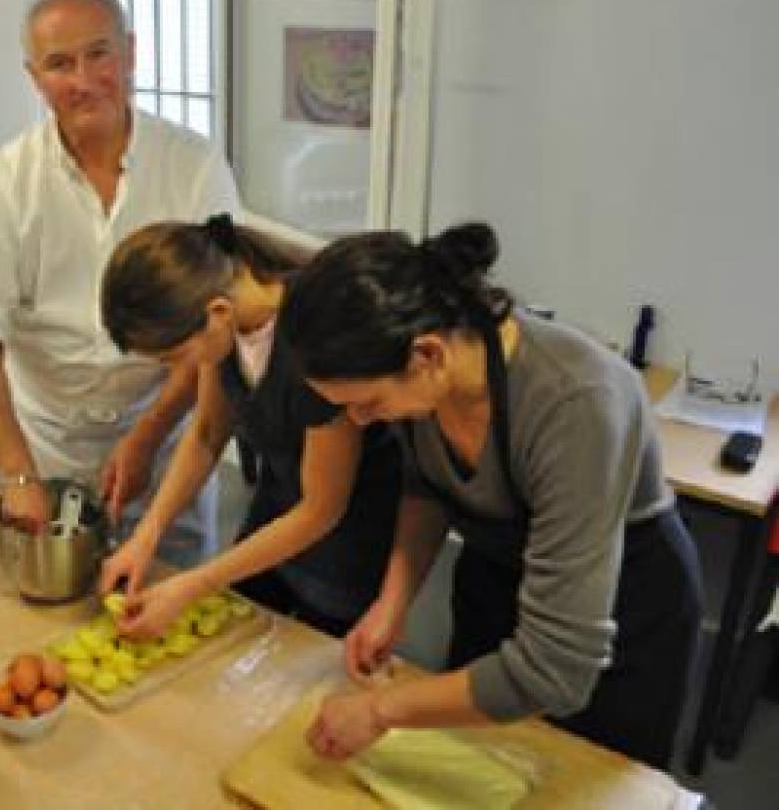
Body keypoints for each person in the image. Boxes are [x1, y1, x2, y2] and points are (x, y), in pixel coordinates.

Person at [283, 221, 702, 769]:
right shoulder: (426, 383)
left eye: (368, 402)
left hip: (619, 607)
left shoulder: (576, 404)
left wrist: (381, 710)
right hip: (497, 576)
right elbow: (426, 487)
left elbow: (555, 669)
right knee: (484, 764)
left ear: (428, 355)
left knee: (586, 780)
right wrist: (393, 600)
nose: (358, 421)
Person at [0, 0, 240, 556]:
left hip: (171, 429)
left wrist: (148, 435)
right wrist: (17, 474)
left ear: (130, 53)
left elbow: (213, 325)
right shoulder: (3, 181)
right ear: (34, 77)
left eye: (98, 54)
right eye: (59, 64)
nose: (82, 80)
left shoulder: (193, 165)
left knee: (171, 596)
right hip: (50, 441)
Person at [96, 215, 402, 638]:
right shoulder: (223, 323)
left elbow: (321, 509)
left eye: (172, 357)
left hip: (347, 533)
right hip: (278, 502)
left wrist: (193, 583)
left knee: (313, 656)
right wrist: (144, 538)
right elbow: (206, 434)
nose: (177, 371)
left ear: (216, 312)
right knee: (241, 627)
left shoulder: (315, 338)